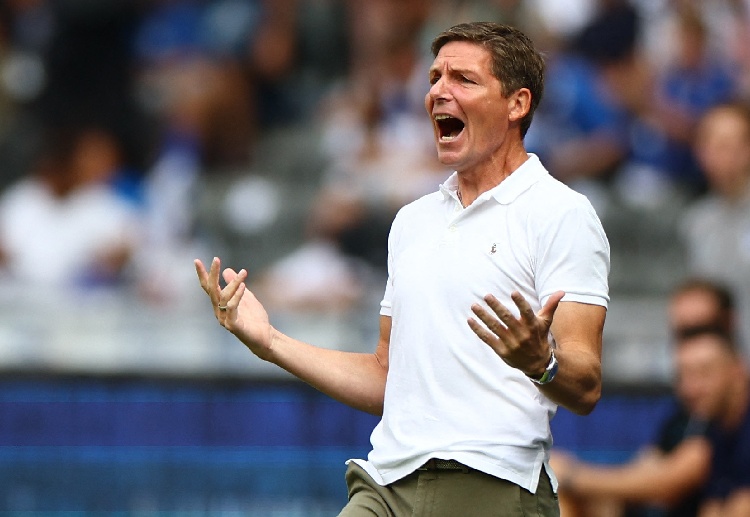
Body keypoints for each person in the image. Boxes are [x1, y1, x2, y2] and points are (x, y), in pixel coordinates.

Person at [195, 21, 610, 516]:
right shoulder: (412, 221)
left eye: (464, 79)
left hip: (494, 484)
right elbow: (386, 376)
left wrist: (542, 363)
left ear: (517, 104)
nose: (438, 92)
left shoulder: (562, 213)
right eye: (434, 77)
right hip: (387, 485)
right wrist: (270, 342)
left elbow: (586, 385)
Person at [551, 277, 738, 517]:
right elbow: (648, 469)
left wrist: (570, 475)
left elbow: (674, 479)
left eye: (700, 328)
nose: (689, 342)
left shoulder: (731, 416)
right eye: (681, 332)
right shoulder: (687, 413)